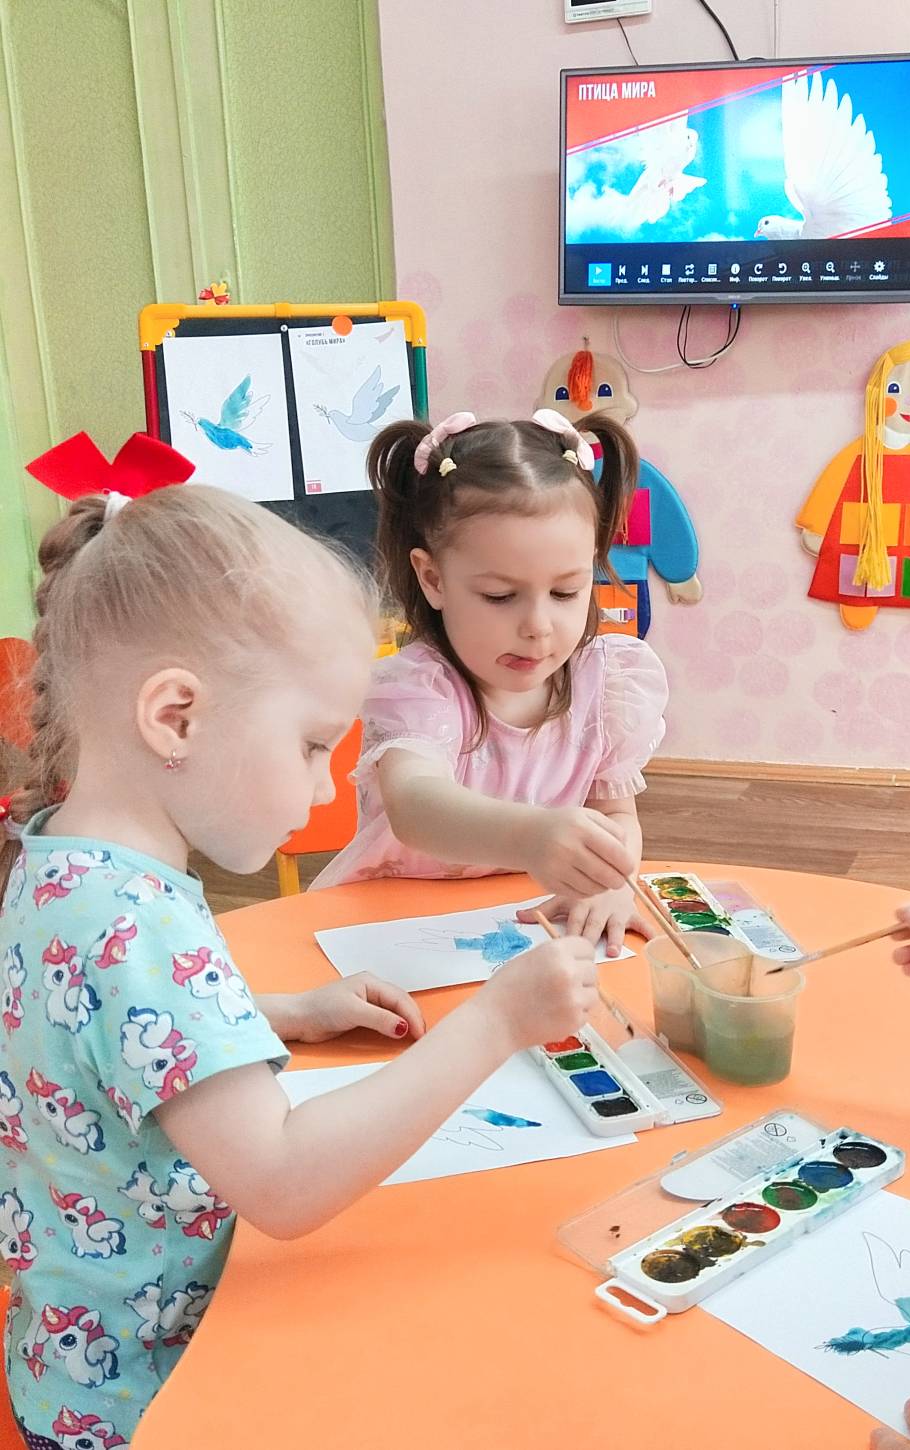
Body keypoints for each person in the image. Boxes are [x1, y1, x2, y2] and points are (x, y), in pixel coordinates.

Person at [0, 460, 595, 1447]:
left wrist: (274, 1014)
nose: (324, 792)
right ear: (176, 716)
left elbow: (90, 1038)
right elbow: (281, 1182)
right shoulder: (135, 925)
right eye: (315, 745)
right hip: (159, 1399)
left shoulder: (61, 861)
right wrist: (499, 1020)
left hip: (71, 1363)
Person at [312, 408, 668, 958]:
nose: (538, 626)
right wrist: (531, 836)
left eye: (566, 592)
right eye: (501, 596)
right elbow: (416, 805)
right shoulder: (421, 687)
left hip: (524, 921)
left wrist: (611, 880)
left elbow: (615, 815)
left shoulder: (606, 682)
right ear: (433, 578)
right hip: (388, 923)